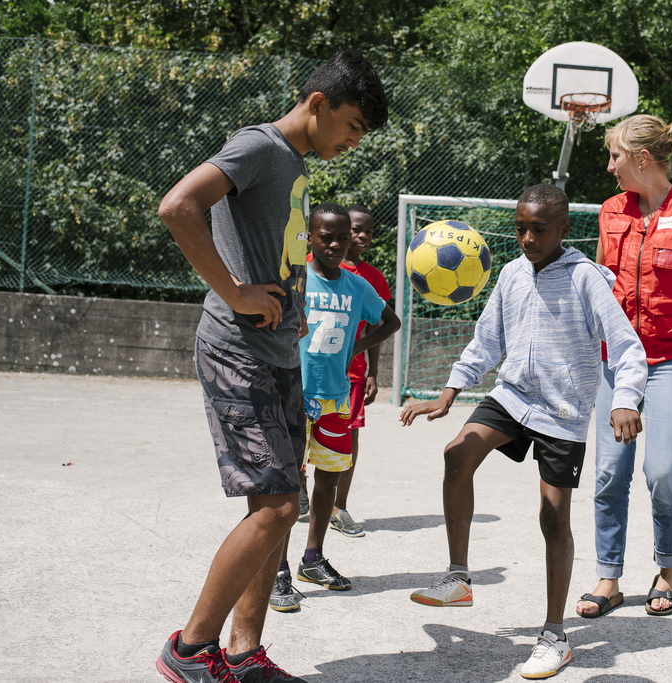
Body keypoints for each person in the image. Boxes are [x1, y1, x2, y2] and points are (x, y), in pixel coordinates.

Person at [155, 51, 388, 683]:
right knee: (281, 507)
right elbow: (178, 206)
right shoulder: (257, 146)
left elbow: (275, 249)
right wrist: (234, 292)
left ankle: (244, 653)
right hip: (238, 351)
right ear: (320, 103)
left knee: (270, 505)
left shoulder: (293, 163)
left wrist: (298, 309)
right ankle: (189, 651)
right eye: (354, 126)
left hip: (281, 353)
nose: (353, 141)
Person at [400, 184, 647, 680]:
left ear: (563, 229)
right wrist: (451, 390)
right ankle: (458, 578)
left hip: (563, 411)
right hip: (513, 397)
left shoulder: (586, 279)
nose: (527, 237)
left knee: (553, 518)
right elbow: (487, 340)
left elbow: (626, 346)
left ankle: (554, 635)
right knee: (457, 454)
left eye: (538, 229)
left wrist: (624, 399)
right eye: (520, 228)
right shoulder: (511, 274)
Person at [577, 114, 672, 620]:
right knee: (607, 471)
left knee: (662, 469)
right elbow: (600, 287)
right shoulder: (609, 211)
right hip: (617, 362)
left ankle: (667, 570)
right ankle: (609, 576)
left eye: (615, 156)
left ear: (642, 159)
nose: (609, 166)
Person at [269, 203, 400, 613]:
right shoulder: (295, 280)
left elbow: (390, 321)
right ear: (310, 237)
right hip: (294, 395)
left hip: (336, 398)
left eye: (343, 237)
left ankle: (313, 558)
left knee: (328, 479)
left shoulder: (356, 285)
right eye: (326, 236)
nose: (337, 244)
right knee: (289, 487)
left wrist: (354, 350)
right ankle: (278, 570)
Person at [332, 204, 393, 538]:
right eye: (356, 229)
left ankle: (339, 507)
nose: (363, 236)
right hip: (313, 371)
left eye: (368, 230)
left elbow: (378, 326)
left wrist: (372, 371)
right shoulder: (315, 267)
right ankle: (298, 485)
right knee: (301, 430)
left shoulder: (373, 278)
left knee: (349, 437)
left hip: (352, 373)